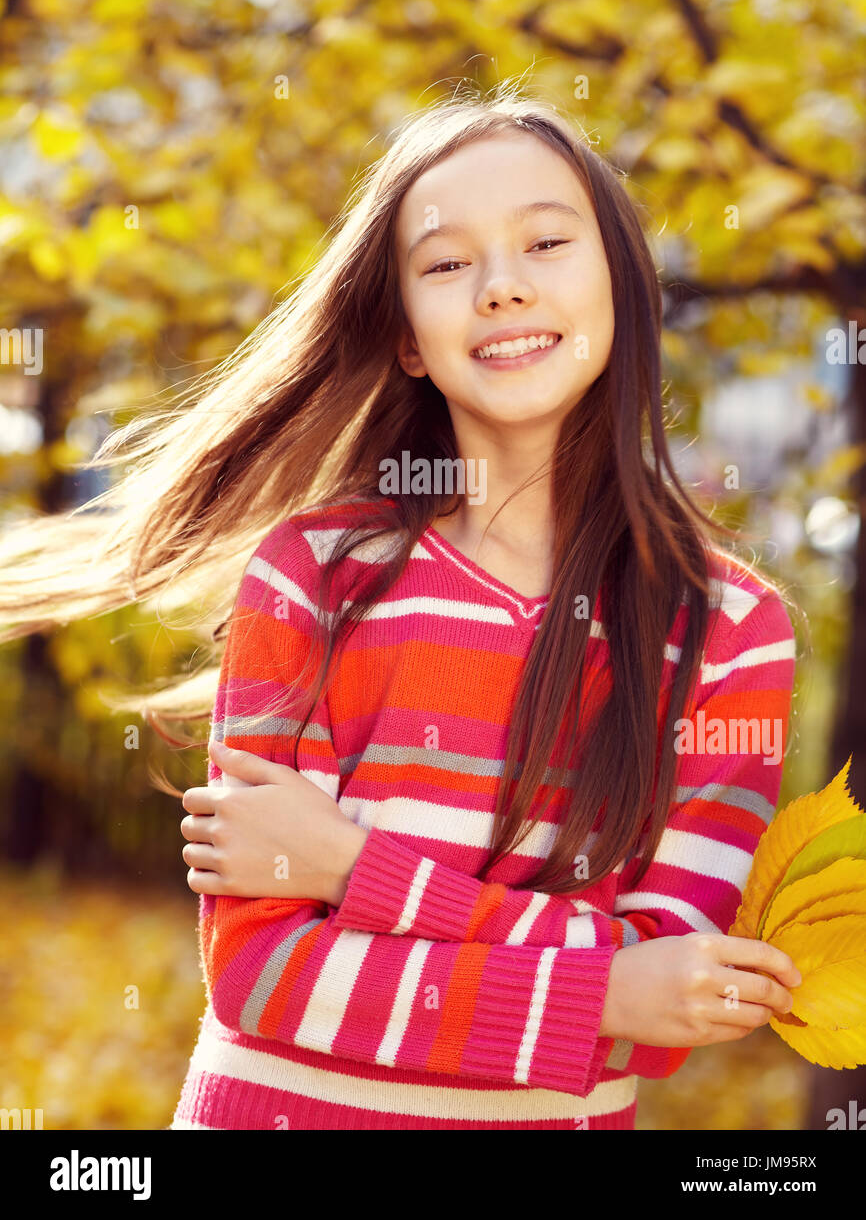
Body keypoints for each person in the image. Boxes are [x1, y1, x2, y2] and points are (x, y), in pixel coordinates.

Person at [0, 82, 801, 1130]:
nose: (500, 288)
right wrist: (596, 982)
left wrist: (352, 868)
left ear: (622, 285)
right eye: (446, 264)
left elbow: (667, 1004)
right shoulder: (313, 577)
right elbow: (267, 975)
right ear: (407, 338)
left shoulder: (729, 632)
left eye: (545, 244)